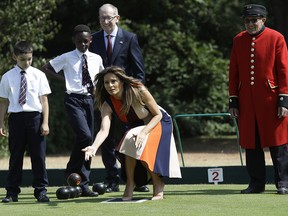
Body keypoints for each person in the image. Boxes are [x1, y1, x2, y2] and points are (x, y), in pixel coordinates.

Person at [82, 66, 181, 200]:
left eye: (113, 81)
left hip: (159, 122)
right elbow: (104, 130)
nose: (110, 85)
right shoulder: (107, 104)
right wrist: (94, 146)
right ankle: (130, 183)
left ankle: (158, 184)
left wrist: (144, 133)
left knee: (135, 142)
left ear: (122, 81)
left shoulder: (138, 90)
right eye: (106, 82)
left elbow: (157, 115)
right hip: (138, 126)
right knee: (129, 142)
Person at [229, 4, 288, 194]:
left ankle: (283, 183)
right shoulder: (238, 40)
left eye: (254, 20)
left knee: (278, 143)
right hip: (247, 101)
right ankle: (256, 184)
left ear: (263, 20)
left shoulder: (276, 38)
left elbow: (284, 70)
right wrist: (234, 100)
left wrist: (284, 99)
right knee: (251, 144)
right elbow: (233, 73)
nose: (250, 24)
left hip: (271, 100)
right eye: (247, 20)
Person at [89, 3, 147, 193]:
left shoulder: (129, 38)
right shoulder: (93, 39)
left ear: (117, 18)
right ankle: (112, 179)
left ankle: (137, 180)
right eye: (102, 18)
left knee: (130, 138)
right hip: (103, 98)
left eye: (109, 18)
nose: (106, 21)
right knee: (106, 139)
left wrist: (134, 95)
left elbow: (138, 71)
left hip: (127, 99)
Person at [41, 24, 104, 197]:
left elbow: (101, 78)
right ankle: (71, 170)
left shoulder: (96, 58)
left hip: (89, 100)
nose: (83, 45)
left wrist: (99, 96)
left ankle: (84, 183)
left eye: (85, 41)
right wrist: (64, 80)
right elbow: (45, 68)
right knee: (85, 136)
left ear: (90, 40)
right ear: (73, 41)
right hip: (73, 99)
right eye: (79, 41)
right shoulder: (67, 57)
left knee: (89, 143)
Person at [0, 41, 51, 203]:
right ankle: (12, 192)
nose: (27, 63)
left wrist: (45, 122)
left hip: (35, 118)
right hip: (16, 119)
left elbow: (44, 101)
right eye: (23, 59)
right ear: (15, 57)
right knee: (15, 156)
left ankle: (41, 191)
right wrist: (1, 123)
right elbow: (3, 102)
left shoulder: (39, 75)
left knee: (38, 156)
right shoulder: (7, 77)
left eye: (29, 59)